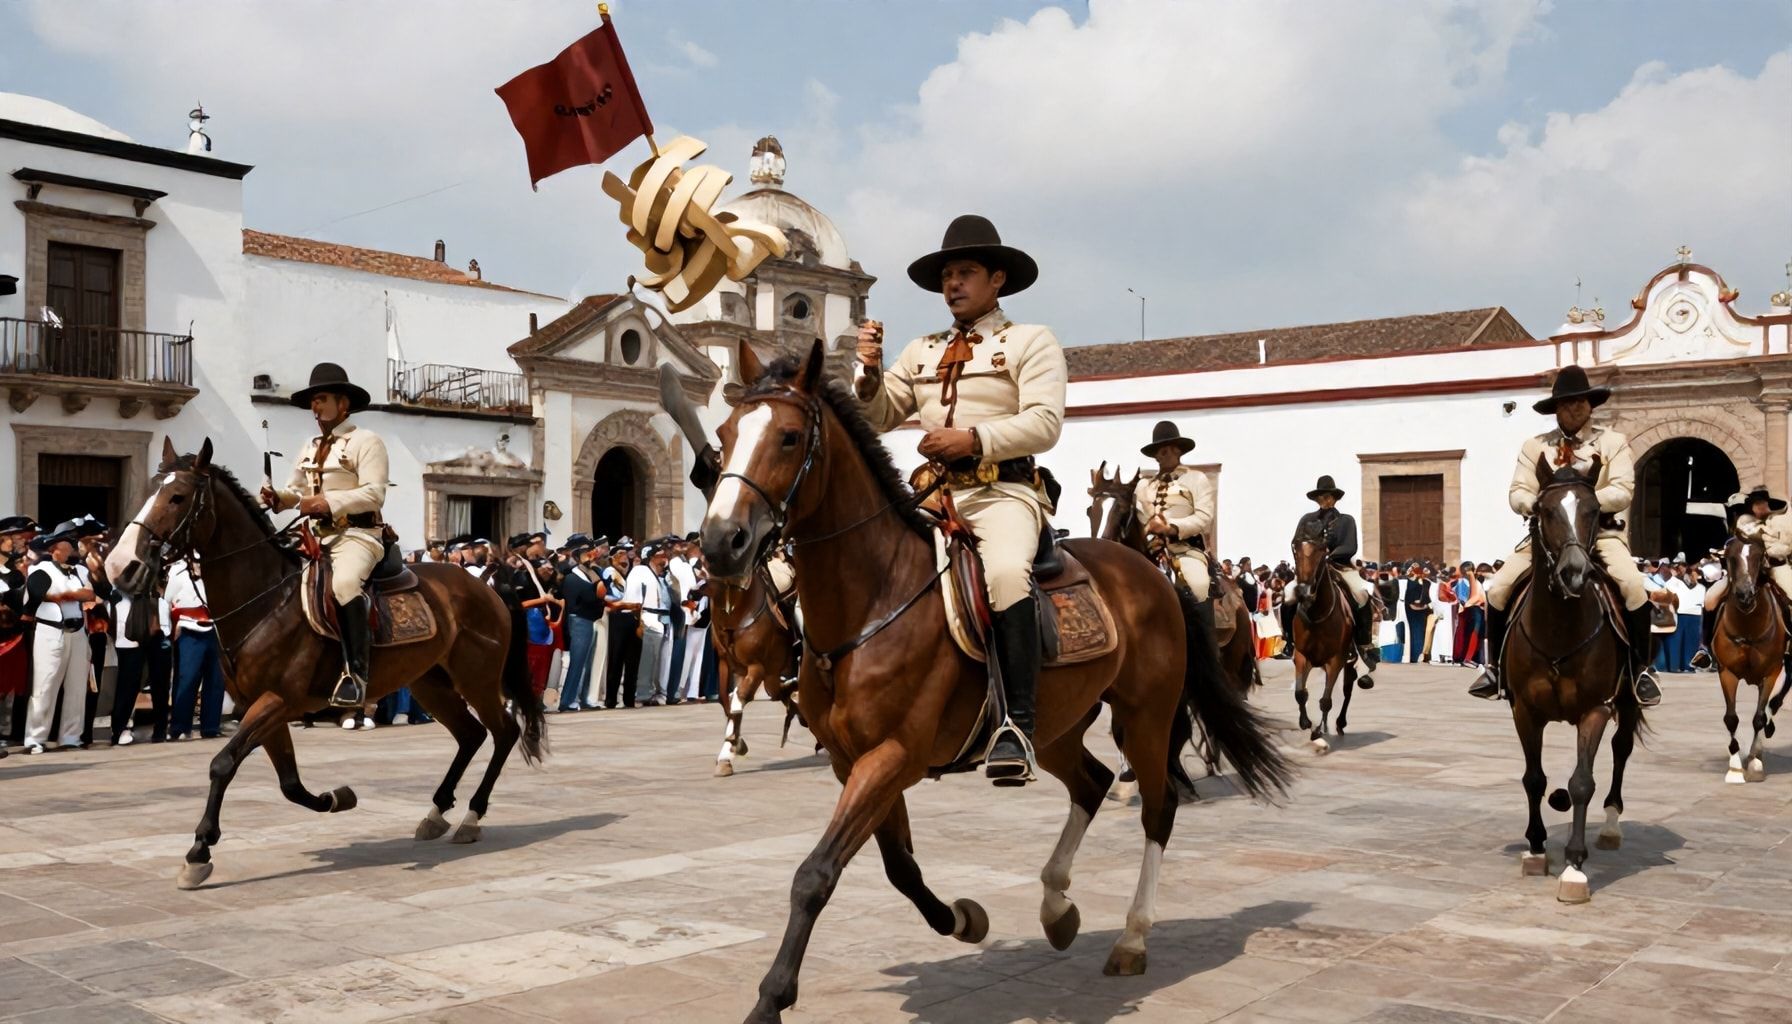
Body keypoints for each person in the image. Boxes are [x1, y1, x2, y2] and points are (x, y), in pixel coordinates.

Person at [855, 214, 1065, 784]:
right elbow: (875, 417)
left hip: (1003, 492)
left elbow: (1046, 423)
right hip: (934, 495)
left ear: (997, 278)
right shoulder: (921, 351)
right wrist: (869, 373)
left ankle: (1017, 726)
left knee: (1003, 573)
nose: (953, 283)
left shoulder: (1029, 341)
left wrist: (973, 438)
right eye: (947, 274)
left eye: (966, 272)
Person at [1470, 365, 1661, 705]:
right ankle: (1495, 669)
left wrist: (1581, 505)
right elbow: (1518, 491)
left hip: (1599, 535)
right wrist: (1540, 505)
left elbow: (1622, 490)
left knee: (1632, 586)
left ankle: (1639, 669)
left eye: (1581, 401)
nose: (1575, 408)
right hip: (1546, 537)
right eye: (1567, 402)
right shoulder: (1535, 447)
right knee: (1498, 589)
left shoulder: (1612, 442)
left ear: (1591, 405)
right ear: (1556, 408)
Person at [260, 362, 390, 708]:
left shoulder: (366, 441)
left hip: (357, 536)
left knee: (344, 586)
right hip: (315, 538)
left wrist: (326, 502)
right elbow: (295, 490)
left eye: (321, 399)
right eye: (313, 402)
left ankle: (356, 675)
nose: (315, 408)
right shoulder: (309, 446)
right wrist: (279, 498)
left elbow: (375, 494)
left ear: (342, 403)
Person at [20, 521, 105, 753]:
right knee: (45, 685)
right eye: (67, 542)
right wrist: (73, 595)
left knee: (76, 687)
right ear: (54, 547)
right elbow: (39, 593)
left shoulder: (81, 570)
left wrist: (67, 595)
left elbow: (93, 593)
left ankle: (70, 737)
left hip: (77, 631)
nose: (72, 546)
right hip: (51, 631)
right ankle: (35, 738)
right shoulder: (41, 570)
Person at [1290, 475, 1380, 678]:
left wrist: (1328, 556)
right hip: (1310, 569)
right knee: (1289, 594)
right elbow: (1297, 542)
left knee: (1362, 593)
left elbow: (1350, 546)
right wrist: (1305, 562)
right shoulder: (1307, 519)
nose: (1325, 500)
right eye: (1321, 496)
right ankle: (1289, 640)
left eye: (1328, 496)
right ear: (1317, 499)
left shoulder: (1346, 520)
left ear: (1334, 498)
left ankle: (1364, 644)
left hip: (1339, 567)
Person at [1693, 487, 1792, 669]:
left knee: (1791, 594)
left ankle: (1788, 643)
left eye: (1763, 503)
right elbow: (1742, 544)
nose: (1761, 507)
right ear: (1752, 507)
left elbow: (1786, 545)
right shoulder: (1745, 522)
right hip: (1745, 571)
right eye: (1757, 504)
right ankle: (1704, 647)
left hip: (1775, 567)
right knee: (1710, 598)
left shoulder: (1781, 522)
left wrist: (1777, 550)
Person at [165, 558, 225, 740]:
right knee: (187, 679)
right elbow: (167, 601)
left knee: (216, 680)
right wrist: (169, 628)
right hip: (189, 629)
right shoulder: (178, 571)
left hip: (215, 628)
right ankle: (180, 726)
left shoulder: (216, 567)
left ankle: (211, 726)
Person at [558, 535, 604, 712]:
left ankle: (584, 698)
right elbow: (596, 595)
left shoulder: (591, 573)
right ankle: (568, 700)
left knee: (587, 662)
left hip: (589, 620)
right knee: (578, 662)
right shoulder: (572, 578)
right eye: (586, 552)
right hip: (579, 621)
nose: (591, 555)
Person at [1405, 563, 1432, 664]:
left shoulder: (1427, 583)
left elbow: (1427, 596)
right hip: (1412, 610)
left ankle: (1421, 654)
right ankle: (1414, 656)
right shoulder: (1411, 582)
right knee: (1414, 633)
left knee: (1421, 632)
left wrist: (1425, 605)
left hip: (1423, 610)